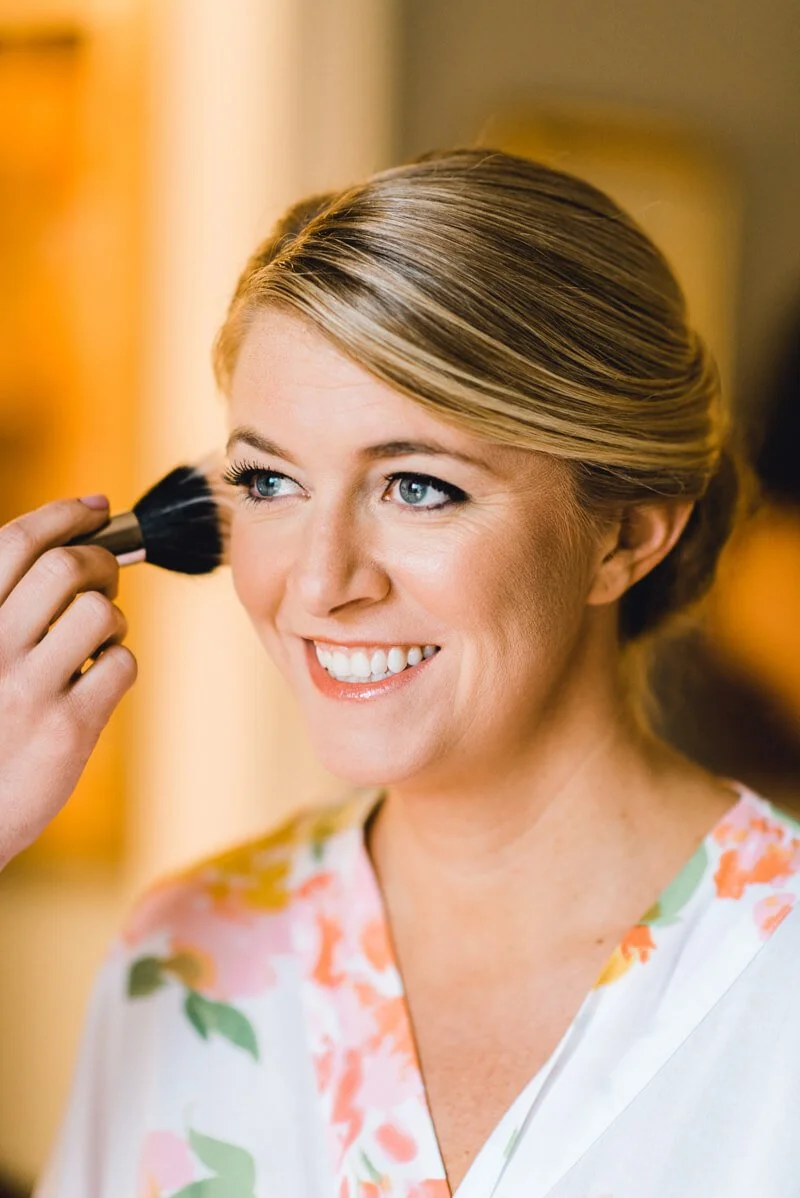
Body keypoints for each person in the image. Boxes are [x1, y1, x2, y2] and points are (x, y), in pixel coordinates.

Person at [16, 147, 800, 1197]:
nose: (319, 582)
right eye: (270, 480)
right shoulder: (185, 958)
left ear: (623, 535)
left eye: (418, 487)